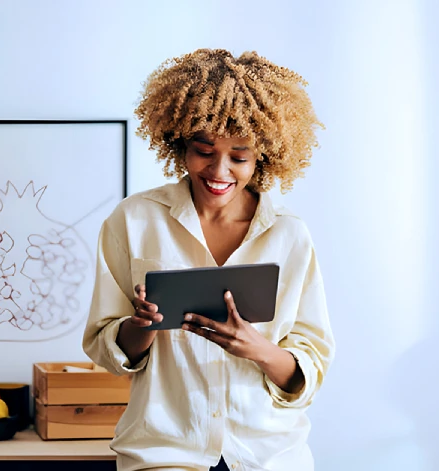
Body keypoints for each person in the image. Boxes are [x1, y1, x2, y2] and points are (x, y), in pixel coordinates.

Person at [82, 48, 335, 471]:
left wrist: (258, 349)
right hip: (163, 456)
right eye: (204, 150)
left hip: (269, 458)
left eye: (239, 157)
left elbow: (310, 365)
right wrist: (141, 328)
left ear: (263, 157)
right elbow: (104, 347)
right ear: (178, 143)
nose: (220, 171)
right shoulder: (134, 220)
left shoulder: (289, 234)